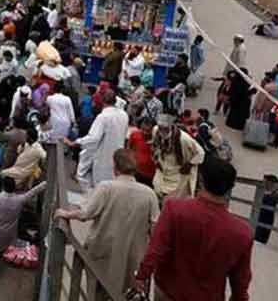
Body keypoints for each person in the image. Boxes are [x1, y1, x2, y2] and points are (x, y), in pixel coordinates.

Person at [134, 155, 253, 301]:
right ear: (230, 188)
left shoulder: (174, 209)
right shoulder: (242, 233)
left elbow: (156, 248)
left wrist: (142, 275)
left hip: (168, 291)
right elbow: (241, 280)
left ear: (201, 181)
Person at [55, 149, 159, 292]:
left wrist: (66, 214)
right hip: (133, 258)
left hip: (103, 251)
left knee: (98, 290)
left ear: (115, 167)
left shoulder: (106, 187)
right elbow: (155, 229)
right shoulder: (149, 193)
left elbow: (85, 213)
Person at [0, 176, 46, 276]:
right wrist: (44, 184)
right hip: (10, 231)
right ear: (14, 187)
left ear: (3, 186)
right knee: (1, 249)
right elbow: (32, 192)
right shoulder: (19, 200)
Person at [67, 89, 128, 190]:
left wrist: (75, 142)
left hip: (102, 159)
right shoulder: (124, 115)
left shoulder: (103, 117)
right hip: (116, 159)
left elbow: (93, 138)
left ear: (102, 101)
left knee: (98, 187)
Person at [151, 114, 205, 199]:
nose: (162, 131)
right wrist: (156, 160)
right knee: (157, 189)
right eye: (161, 128)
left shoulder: (184, 138)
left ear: (171, 127)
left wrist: (189, 165)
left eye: (165, 128)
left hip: (178, 170)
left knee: (175, 196)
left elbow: (200, 153)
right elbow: (154, 146)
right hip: (163, 167)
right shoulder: (155, 130)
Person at [126, 117, 157, 187]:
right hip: (137, 172)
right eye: (143, 130)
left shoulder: (158, 139)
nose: (144, 133)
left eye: (148, 131)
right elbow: (129, 149)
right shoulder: (135, 135)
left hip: (152, 175)